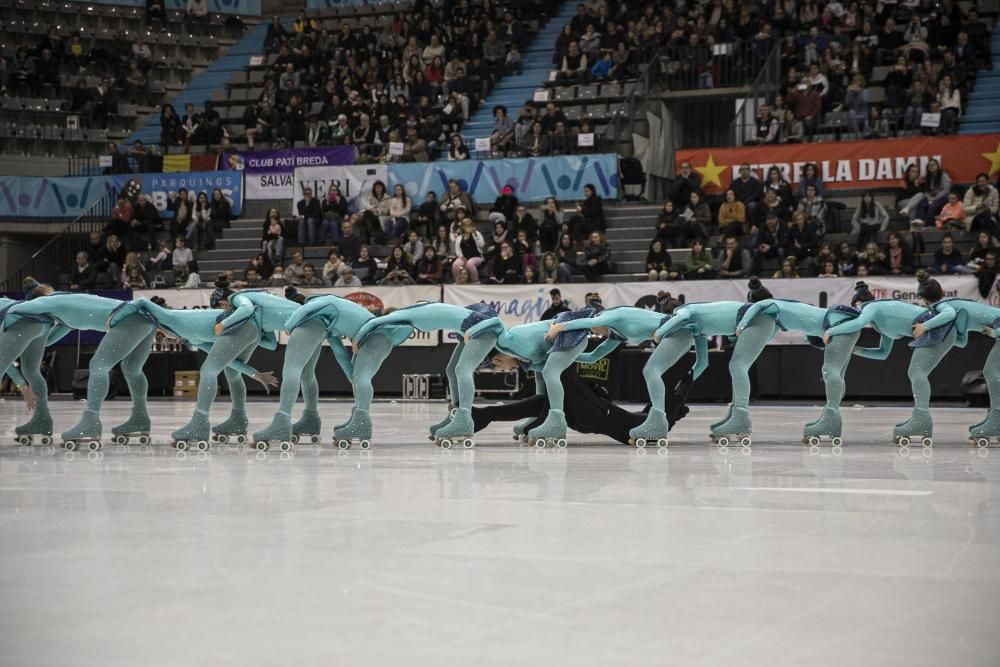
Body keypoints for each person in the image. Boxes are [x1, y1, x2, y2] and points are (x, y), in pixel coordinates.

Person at [734, 279, 874, 443]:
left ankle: (831, 419)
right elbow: (767, 337)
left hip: (837, 323)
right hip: (838, 322)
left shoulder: (768, 304)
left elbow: (755, 308)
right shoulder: (779, 309)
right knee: (837, 372)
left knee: (831, 370)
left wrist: (740, 327)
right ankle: (829, 417)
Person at [824, 273, 958, 443]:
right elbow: (882, 354)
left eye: (855, 308)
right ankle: (921, 419)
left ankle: (922, 420)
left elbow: (858, 323)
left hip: (939, 329)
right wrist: (854, 349)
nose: (856, 312)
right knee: (916, 372)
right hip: (939, 331)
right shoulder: (880, 322)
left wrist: (831, 331)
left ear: (858, 303)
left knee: (916, 373)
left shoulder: (871, 307)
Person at [451, 218, 486, 283]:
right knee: (456, 264)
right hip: (464, 257)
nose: (468, 227)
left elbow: (482, 245)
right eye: (466, 226)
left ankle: (475, 281)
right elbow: (457, 250)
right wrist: (462, 257)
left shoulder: (476, 234)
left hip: (477, 257)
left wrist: (475, 234)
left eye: (469, 225)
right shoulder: (459, 237)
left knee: (470, 263)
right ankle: (458, 281)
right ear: (463, 227)